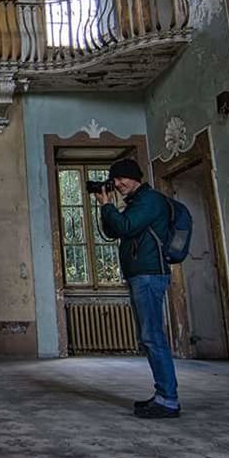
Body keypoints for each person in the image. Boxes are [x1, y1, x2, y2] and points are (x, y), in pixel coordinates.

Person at [96, 158, 179, 419]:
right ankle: (163, 395)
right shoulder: (136, 203)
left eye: (123, 179)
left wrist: (108, 206)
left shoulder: (150, 200)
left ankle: (168, 400)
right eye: (115, 179)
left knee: (153, 336)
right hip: (140, 275)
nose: (118, 184)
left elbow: (126, 226)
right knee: (149, 336)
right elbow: (114, 231)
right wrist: (106, 207)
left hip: (148, 276)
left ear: (136, 178)